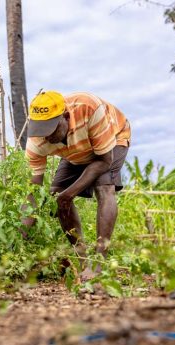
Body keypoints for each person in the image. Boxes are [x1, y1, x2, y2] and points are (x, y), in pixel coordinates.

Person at [22, 91, 131, 281]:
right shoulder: (36, 142)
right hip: (74, 150)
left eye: (50, 130)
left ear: (65, 117)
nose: (45, 138)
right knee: (57, 196)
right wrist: (18, 238)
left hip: (111, 137)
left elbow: (104, 161)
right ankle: (82, 260)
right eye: (41, 130)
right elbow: (33, 194)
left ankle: (99, 263)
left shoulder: (89, 109)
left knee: (104, 187)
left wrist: (70, 193)